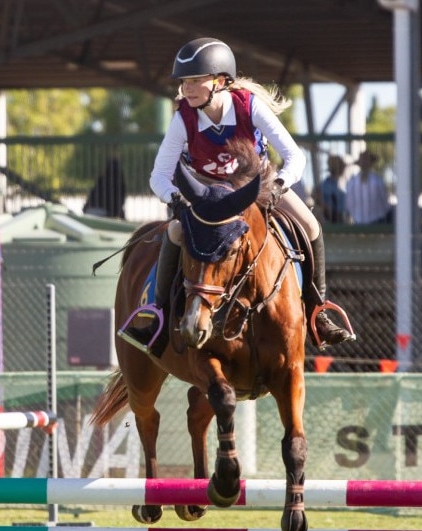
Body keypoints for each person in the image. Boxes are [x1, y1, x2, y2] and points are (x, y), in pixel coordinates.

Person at [130, 37, 354, 350]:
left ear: (220, 81)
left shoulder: (249, 107)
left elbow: (295, 157)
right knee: (176, 232)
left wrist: (279, 185)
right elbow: (158, 177)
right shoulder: (184, 117)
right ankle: (159, 315)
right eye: (184, 82)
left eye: (195, 81)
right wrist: (177, 201)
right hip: (206, 193)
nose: (187, 89)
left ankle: (318, 311)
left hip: (257, 185)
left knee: (311, 225)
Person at [345, 150, 391, 224]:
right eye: (363, 160)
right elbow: (349, 203)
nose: (364, 163)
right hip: (358, 222)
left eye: (366, 160)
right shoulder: (352, 181)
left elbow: (385, 200)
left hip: (377, 221)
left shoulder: (377, 180)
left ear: (370, 163)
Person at [314, 154, 349, 224]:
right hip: (331, 222)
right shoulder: (324, 186)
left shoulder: (345, 183)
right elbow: (318, 201)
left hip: (343, 222)